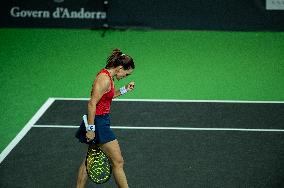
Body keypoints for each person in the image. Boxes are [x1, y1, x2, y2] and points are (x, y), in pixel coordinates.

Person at [76, 49, 135, 188]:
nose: (126, 76)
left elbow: (107, 96)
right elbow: (92, 103)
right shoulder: (104, 79)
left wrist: (125, 89)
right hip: (97, 122)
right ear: (120, 68)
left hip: (100, 120)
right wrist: (91, 129)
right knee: (118, 161)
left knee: (89, 160)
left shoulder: (109, 77)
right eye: (126, 74)